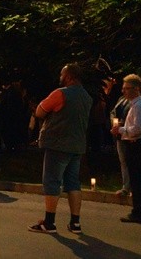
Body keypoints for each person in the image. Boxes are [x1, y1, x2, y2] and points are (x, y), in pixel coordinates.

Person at [28, 63, 92, 234]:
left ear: (69, 76)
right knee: (73, 184)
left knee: (52, 181)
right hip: (77, 145)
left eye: (62, 74)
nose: (60, 77)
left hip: (57, 144)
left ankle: (49, 222)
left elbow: (40, 111)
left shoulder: (60, 94)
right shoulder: (86, 97)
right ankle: (75, 222)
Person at [111, 74, 141, 224]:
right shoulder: (135, 105)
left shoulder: (139, 106)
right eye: (123, 88)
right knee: (137, 178)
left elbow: (138, 129)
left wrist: (121, 130)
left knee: (138, 179)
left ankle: (140, 211)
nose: (124, 91)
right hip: (134, 143)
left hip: (137, 145)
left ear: (136, 89)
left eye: (127, 89)